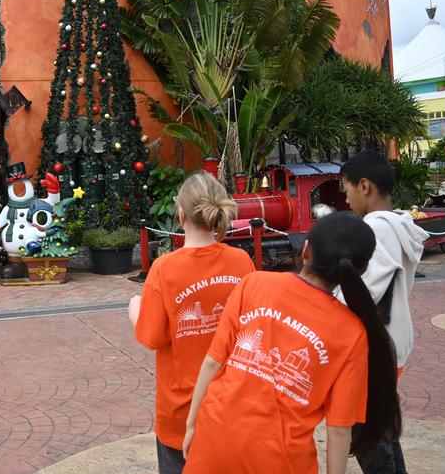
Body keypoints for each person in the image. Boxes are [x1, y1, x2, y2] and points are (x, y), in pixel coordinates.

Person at [182, 212, 402, 474]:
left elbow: (212, 361)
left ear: (305, 249)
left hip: (214, 440)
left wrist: (192, 425)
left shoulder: (254, 283)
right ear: (362, 270)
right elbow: (339, 429)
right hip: (281, 460)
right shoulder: (353, 332)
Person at [128, 172, 254, 474]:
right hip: (232, 405)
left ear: (180, 213)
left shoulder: (164, 268)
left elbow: (153, 337)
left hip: (181, 411)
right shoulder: (241, 262)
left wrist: (135, 309)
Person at [339, 151, 428, 473]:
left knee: (369, 438)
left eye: (346, 190)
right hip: (393, 341)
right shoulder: (398, 225)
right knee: (383, 429)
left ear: (365, 187)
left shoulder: (374, 230)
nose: (345, 199)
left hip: (373, 349)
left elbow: (361, 291)